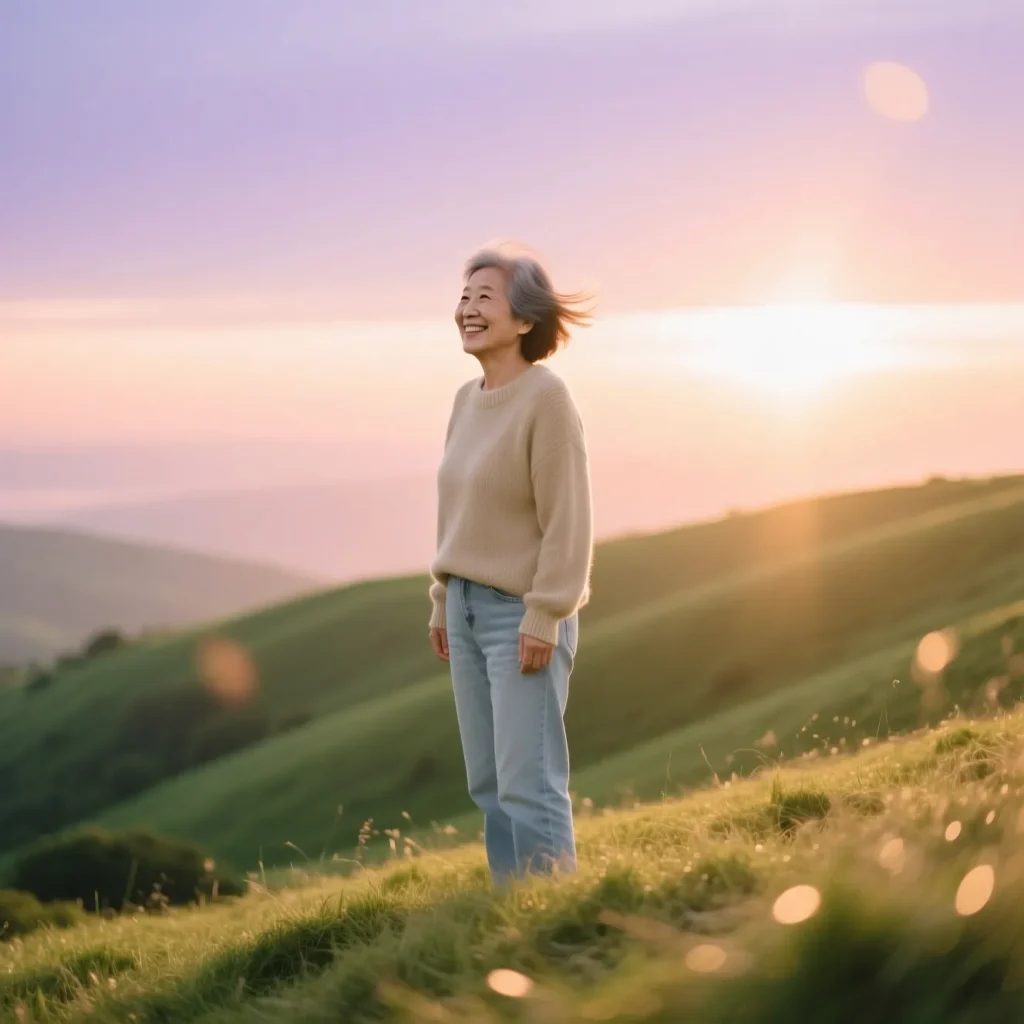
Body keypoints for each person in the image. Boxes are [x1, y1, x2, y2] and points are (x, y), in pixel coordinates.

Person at [428, 244, 594, 884]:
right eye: (463, 299)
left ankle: (558, 915)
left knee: (531, 783)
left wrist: (546, 615)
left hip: (520, 616)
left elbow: (567, 519)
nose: (467, 310)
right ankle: (512, 906)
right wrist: (443, 601)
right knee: (490, 783)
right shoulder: (465, 400)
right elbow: (455, 508)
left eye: (483, 299)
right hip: (466, 612)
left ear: (525, 320)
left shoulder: (547, 399)